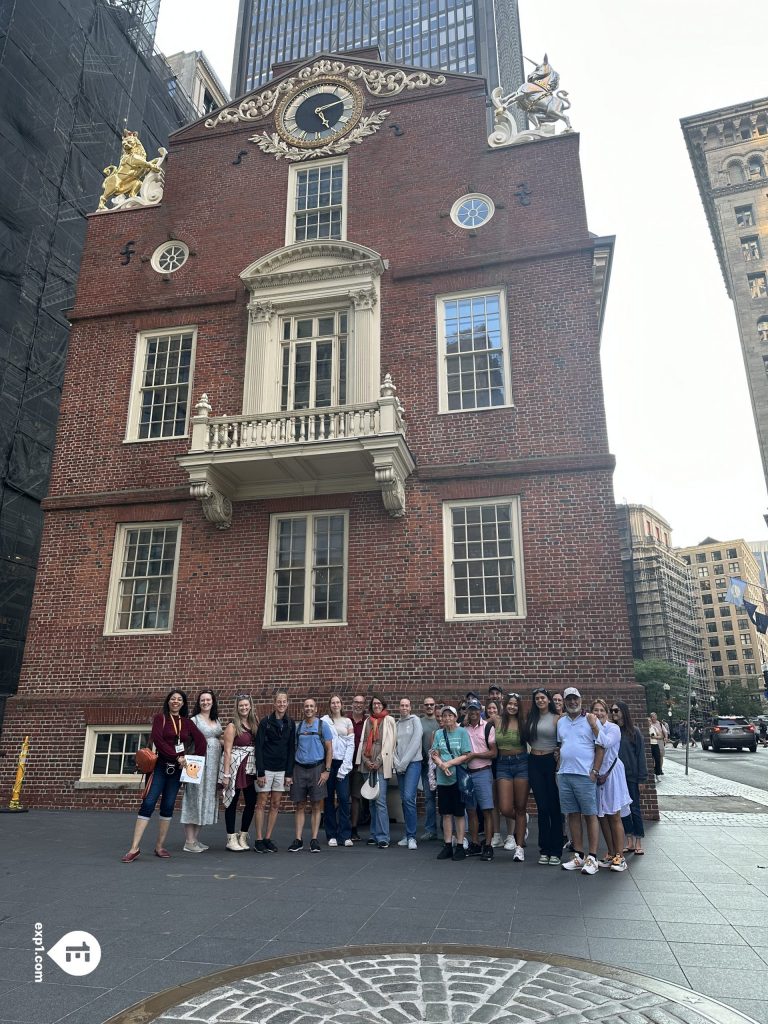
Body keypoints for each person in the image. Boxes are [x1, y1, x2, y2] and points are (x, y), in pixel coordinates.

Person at [122, 690, 206, 862]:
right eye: (173, 699)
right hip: (160, 767)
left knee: (168, 806)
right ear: (168, 702)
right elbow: (158, 740)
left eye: (179, 699)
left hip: (177, 771)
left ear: (183, 704)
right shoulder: (160, 719)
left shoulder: (187, 722)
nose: (176, 701)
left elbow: (201, 741)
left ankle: (159, 847)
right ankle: (134, 848)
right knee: (149, 803)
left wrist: (192, 760)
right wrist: (177, 756)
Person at [557, 687, 605, 875]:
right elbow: (561, 745)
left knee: (590, 814)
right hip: (565, 774)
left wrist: (595, 770)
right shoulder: (561, 722)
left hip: (585, 774)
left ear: (580, 699)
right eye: (569, 699)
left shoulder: (590, 720)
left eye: (575, 699)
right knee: (572, 814)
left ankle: (592, 857)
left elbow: (601, 746)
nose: (572, 702)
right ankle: (578, 854)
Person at [591, 699, 631, 872]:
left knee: (614, 815)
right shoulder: (590, 728)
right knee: (602, 816)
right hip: (597, 775)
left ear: (606, 713)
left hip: (612, 774)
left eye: (602, 710)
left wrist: (594, 727)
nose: (599, 713)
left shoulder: (613, 729)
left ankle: (620, 856)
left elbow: (605, 743)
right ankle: (610, 852)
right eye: (595, 710)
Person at [289, 698, 334, 852]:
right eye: (306, 706)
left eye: (311, 706)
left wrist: (327, 771)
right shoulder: (299, 727)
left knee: (316, 805)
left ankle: (314, 840)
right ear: (304, 709)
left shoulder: (323, 725)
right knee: (299, 805)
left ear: (316, 709)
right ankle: (298, 839)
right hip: (299, 769)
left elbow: (329, 749)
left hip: (317, 769)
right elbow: (294, 748)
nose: (308, 708)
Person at [181, 689, 223, 853]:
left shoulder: (216, 720)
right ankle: (189, 842)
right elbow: (185, 740)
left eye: (208, 700)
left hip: (213, 767)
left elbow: (218, 737)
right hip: (196, 765)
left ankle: (195, 840)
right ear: (199, 703)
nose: (205, 702)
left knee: (205, 800)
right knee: (194, 800)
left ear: (213, 702)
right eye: (202, 700)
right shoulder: (194, 720)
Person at [253, 690, 295, 852]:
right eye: (279, 701)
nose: (282, 704)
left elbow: (292, 749)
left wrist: (289, 773)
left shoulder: (290, 723)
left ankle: (268, 838)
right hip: (266, 769)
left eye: (284, 701)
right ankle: (258, 839)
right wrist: (260, 771)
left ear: (287, 703)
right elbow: (259, 748)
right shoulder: (265, 722)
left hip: (282, 770)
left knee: (276, 804)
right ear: (274, 703)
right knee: (261, 803)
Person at [525, 688, 562, 865]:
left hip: (551, 761)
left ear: (549, 700)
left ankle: (556, 850)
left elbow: (563, 741)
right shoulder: (531, 718)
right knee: (542, 807)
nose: (540, 700)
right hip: (534, 762)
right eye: (537, 698)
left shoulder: (557, 718)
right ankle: (544, 849)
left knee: (554, 806)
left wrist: (559, 753)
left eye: (543, 698)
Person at [431, 705, 473, 860]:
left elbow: (466, 755)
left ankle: (460, 846)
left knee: (459, 813)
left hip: (458, 778)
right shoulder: (438, 734)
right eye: (445, 716)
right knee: (446, 813)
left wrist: (448, 764)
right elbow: (434, 753)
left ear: (456, 717)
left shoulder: (462, 732)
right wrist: (441, 764)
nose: (447, 718)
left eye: (450, 715)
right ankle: (448, 845)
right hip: (443, 779)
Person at [356, 695, 397, 848]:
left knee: (380, 802)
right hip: (367, 764)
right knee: (371, 801)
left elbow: (391, 743)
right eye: (374, 704)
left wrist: (378, 761)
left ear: (383, 705)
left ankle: (383, 837)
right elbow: (364, 742)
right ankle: (373, 834)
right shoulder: (367, 721)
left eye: (379, 703)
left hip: (381, 765)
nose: (377, 706)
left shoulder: (389, 720)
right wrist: (366, 761)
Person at [221, 694, 259, 852]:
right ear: (237, 708)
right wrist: (226, 774)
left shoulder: (254, 722)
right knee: (232, 802)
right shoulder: (232, 726)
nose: (244, 708)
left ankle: (243, 835)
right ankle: (231, 837)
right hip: (236, 768)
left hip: (250, 768)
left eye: (246, 705)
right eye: (241, 705)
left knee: (251, 802)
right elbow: (227, 751)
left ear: (250, 705)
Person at [495, 692, 529, 859]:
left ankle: (519, 847)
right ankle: (523, 822)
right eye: (510, 703)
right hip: (503, 764)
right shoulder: (496, 720)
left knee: (521, 807)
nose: (512, 707)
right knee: (505, 808)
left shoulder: (524, 723)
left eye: (515, 704)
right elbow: (477, 723)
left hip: (521, 763)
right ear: (505, 704)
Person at [462, 699, 497, 861]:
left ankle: (488, 845)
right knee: (471, 810)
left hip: (483, 772)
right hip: (467, 774)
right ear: (467, 711)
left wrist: (475, 755)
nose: (473, 712)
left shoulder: (488, 727)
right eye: (471, 710)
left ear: (480, 710)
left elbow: (493, 753)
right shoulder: (463, 728)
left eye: (476, 709)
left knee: (487, 810)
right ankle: (475, 843)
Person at [612, 700, 647, 855]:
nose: (613, 714)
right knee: (623, 810)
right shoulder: (613, 731)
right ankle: (629, 840)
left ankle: (639, 840)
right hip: (617, 777)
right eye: (612, 711)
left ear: (623, 712)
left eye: (616, 711)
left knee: (635, 808)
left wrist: (642, 778)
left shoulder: (634, 732)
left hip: (631, 776)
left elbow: (641, 756)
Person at [321, 694, 355, 847]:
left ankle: (345, 834)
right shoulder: (324, 721)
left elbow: (351, 744)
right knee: (328, 799)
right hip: (328, 763)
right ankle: (331, 835)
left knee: (343, 798)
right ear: (330, 705)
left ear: (341, 704)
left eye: (337, 702)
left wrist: (345, 767)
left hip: (342, 763)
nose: (335, 705)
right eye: (333, 703)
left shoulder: (347, 721)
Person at [394, 698, 424, 849]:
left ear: (410, 707)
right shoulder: (397, 724)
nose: (404, 707)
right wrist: (396, 762)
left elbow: (415, 742)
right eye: (402, 705)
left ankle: (412, 837)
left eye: (407, 705)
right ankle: (407, 834)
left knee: (408, 798)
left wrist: (403, 763)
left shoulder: (415, 721)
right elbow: (392, 745)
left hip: (413, 764)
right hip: (399, 766)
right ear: (399, 708)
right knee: (404, 800)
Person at [419, 696, 441, 840]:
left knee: (444, 798)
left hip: (443, 765)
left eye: (431, 704)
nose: (429, 707)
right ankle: (431, 829)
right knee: (429, 798)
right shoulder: (419, 722)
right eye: (426, 704)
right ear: (423, 706)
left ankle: (447, 830)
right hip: (426, 766)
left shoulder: (441, 720)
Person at [348, 694, 368, 840]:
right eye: (356, 702)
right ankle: (342, 826)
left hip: (358, 764)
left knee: (355, 797)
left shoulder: (368, 722)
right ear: (352, 703)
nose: (358, 705)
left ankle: (353, 829)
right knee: (342, 796)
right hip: (343, 763)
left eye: (361, 703)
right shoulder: (345, 720)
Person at [484, 699, 503, 848]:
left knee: (508, 802)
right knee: (494, 802)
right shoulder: (483, 725)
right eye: (489, 708)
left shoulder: (504, 722)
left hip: (504, 762)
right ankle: (497, 834)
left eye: (494, 708)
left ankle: (511, 835)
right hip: (490, 765)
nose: (491, 711)